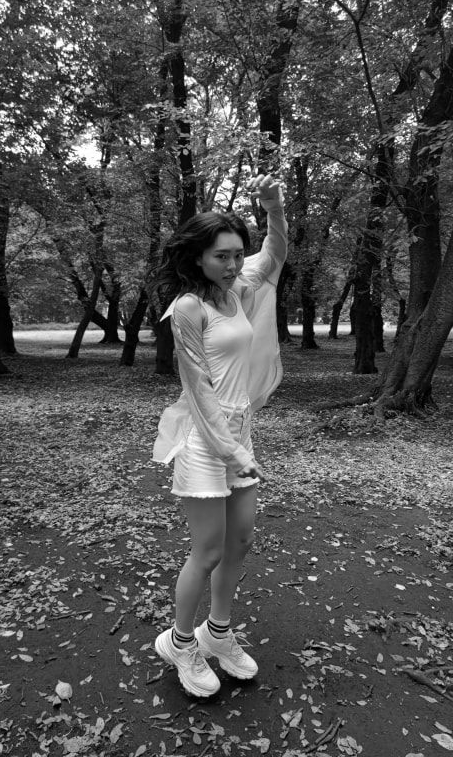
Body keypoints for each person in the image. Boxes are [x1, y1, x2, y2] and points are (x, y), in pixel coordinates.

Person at [152, 174, 288, 698]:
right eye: (221, 256)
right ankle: (180, 642)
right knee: (207, 551)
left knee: (241, 541)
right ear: (197, 257)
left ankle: (219, 633)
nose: (232, 264)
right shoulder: (190, 308)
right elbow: (199, 388)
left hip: (239, 434)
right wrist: (229, 449)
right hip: (205, 443)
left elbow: (274, 254)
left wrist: (274, 208)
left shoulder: (238, 290)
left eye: (236, 254)